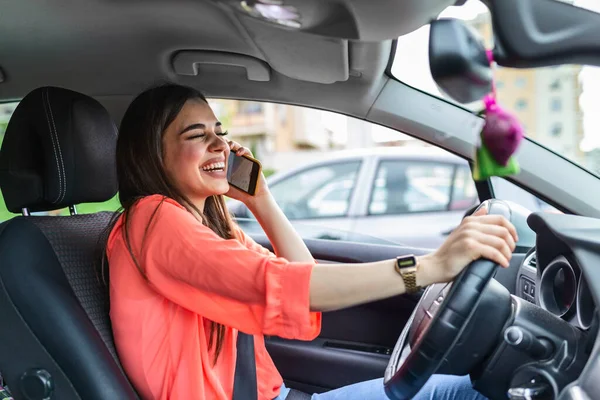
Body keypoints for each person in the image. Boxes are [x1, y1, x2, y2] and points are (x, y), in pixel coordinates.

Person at [105, 84, 517, 400]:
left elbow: (301, 276)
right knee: (470, 389)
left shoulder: (208, 222)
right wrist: (428, 267)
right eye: (197, 135)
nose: (220, 145)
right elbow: (289, 287)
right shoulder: (153, 217)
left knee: (468, 385)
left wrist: (260, 199)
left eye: (220, 132)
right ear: (153, 154)